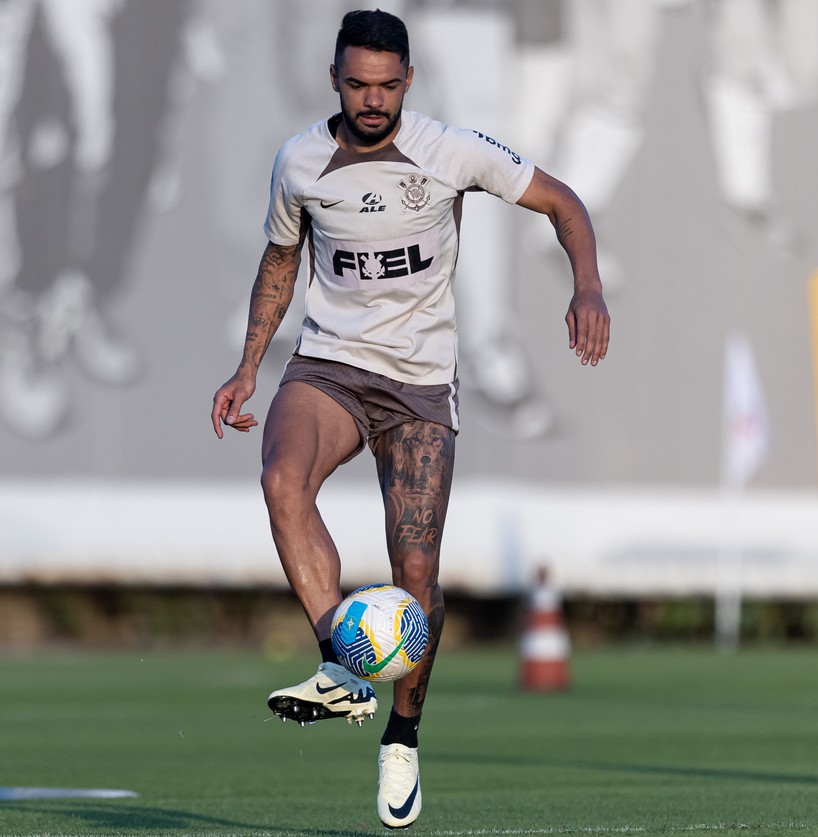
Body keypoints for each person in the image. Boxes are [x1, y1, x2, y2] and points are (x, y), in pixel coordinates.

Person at [210, 9, 609, 830]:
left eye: (388, 85)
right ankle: (340, 664)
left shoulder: (449, 150)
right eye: (358, 84)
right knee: (282, 479)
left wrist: (589, 286)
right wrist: (250, 364)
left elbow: (563, 202)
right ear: (334, 80)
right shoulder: (300, 161)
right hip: (330, 365)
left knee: (415, 577)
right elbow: (281, 259)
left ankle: (402, 734)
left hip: (420, 387)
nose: (372, 100)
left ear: (408, 82)